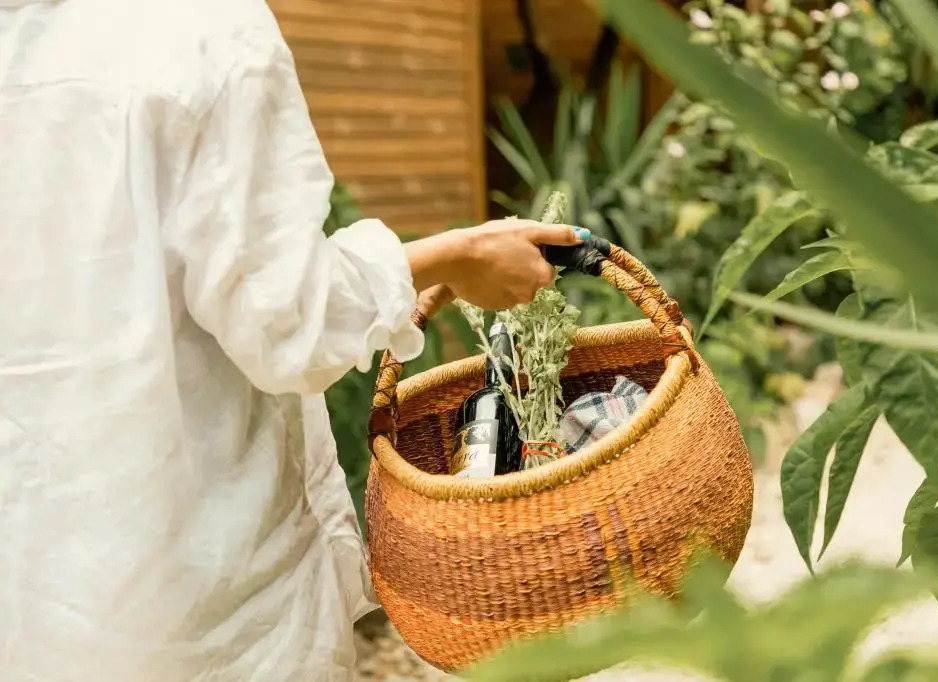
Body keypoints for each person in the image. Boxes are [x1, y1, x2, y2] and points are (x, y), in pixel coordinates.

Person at [0, 1, 588, 680]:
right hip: (198, 607)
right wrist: (457, 257)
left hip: (35, 598)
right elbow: (285, 320)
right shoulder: (200, 31)